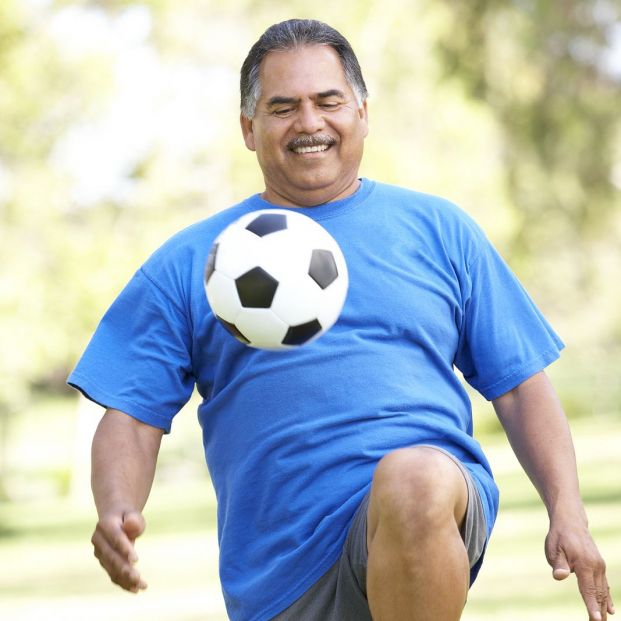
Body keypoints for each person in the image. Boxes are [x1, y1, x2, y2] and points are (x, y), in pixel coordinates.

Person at [68, 18, 614, 621]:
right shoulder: (193, 261)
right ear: (249, 129)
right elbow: (132, 417)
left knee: (414, 478)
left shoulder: (439, 231)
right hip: (281, 569)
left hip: (428, 512)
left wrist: (568, 512)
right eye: (283, 108)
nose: (309, 123)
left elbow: (519, 386)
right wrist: (116, 508)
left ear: (361, 113)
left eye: (328, 101)